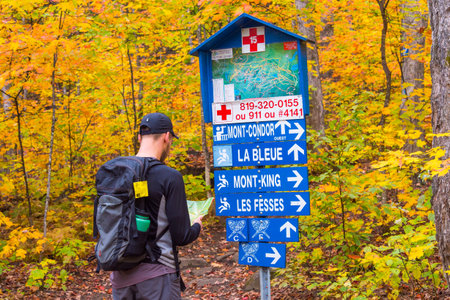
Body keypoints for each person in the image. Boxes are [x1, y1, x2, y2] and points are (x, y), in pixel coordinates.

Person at [110, 112, 203, 300]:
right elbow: (181, 236)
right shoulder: (169, 177)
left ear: (139, 138)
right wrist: (197, 226)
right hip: (158, 276)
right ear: (167, 137)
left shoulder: (116, 172)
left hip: (119, 275)